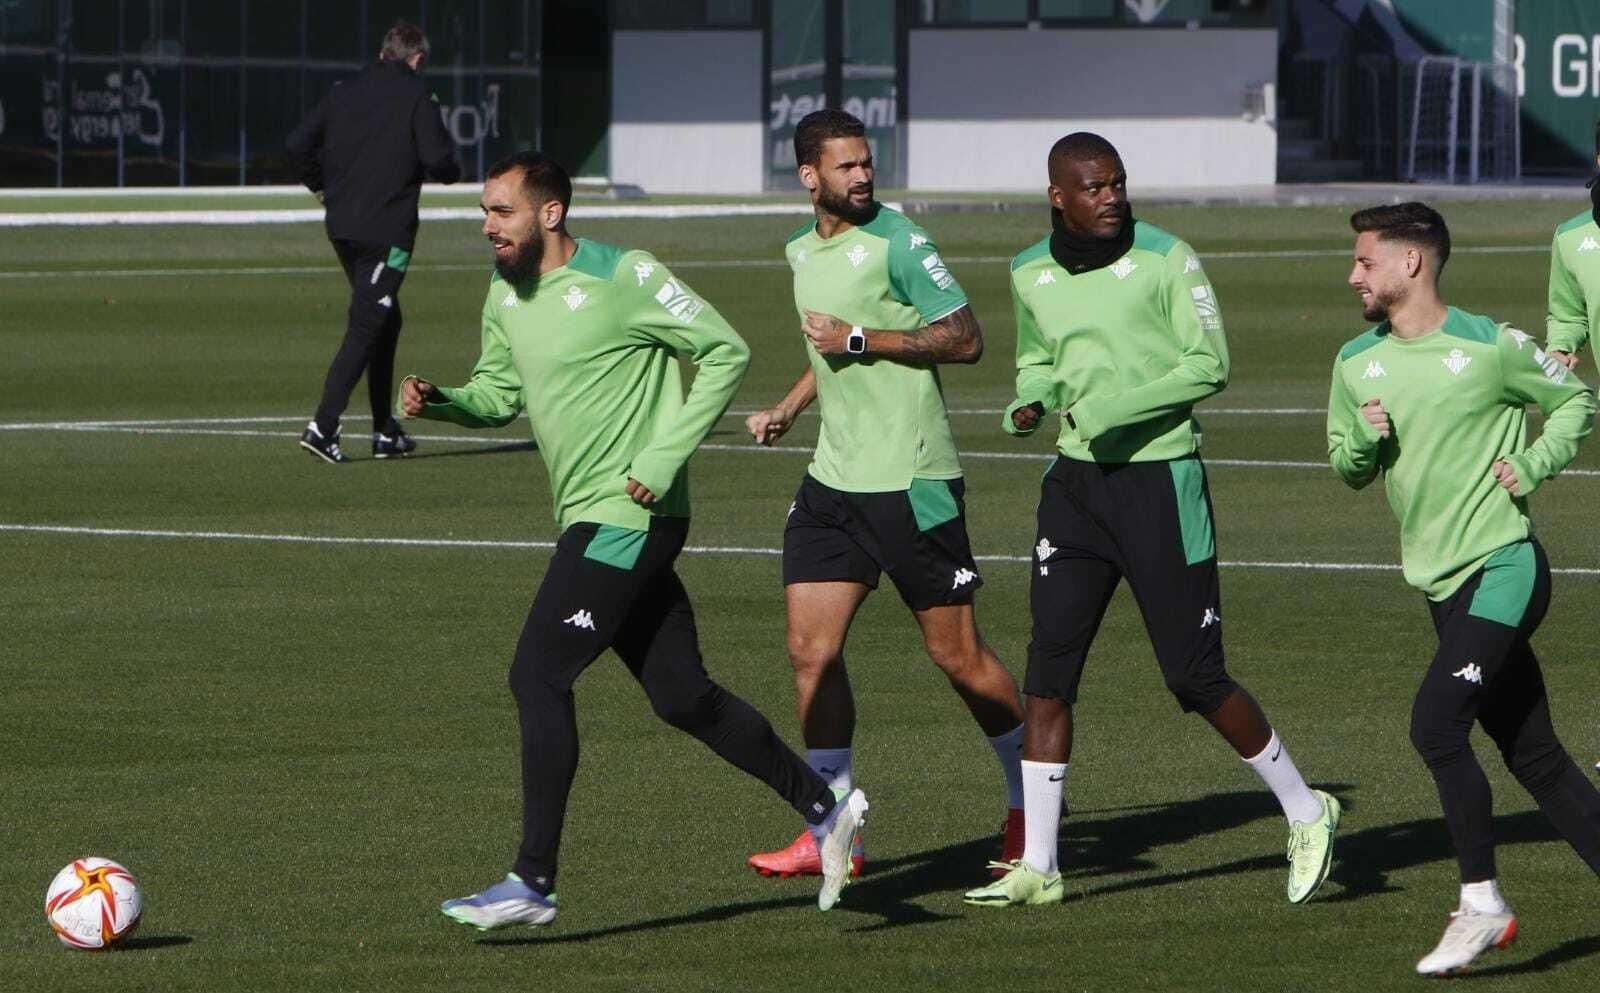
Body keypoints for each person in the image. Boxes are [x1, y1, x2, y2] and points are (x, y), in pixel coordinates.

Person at [407, 151, 867, 928]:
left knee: (537, 675)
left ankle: (532, 879)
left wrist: (661, 458)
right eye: (484, 212)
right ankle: (827, 809)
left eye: (501, 211)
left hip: (628, 517)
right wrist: (446, 402)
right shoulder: (505, 293)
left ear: (549, 214)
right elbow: (500, 393)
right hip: (595, 515)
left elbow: (726, 351)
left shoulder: (628, 276)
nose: (488, 226)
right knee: (683, 696)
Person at [964, 132, 1338, 910]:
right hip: (1073, 490)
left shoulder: (1169, 258)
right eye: (1094, 188)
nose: (1112, 199)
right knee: (1047, 676)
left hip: (1161, 484)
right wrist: (1030, 398)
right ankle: (1040, 862)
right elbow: (1037, 356)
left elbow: (1210, 363)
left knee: (1193, 676)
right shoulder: (1028, 270)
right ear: (1057, 196)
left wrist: (1108, 409)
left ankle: (1307, 808)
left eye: (1118, 184)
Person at [742, 108, 1027, 880]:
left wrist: (861, 339)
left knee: (956, 655)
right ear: (810, 178)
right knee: (811, 651)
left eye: (867, 163)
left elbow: (965, 337)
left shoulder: (900, 241)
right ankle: (835, 827)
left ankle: (1031, 803)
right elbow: (825, 347)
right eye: (846, 166)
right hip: (835, 481)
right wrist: (789, 407)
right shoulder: (802, 248)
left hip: (912, 479)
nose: (864, 176)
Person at [1327, 202, 1600, 975]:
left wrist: (1537, 463)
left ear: (1411, 263)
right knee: (1537, 757)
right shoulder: (1356, 361)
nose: (1354, 274)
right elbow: (1345, 467)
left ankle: (1482, 902)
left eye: (1365, 260)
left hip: (1505, 566)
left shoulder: (1493, 346)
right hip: (1441, 585)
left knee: (1437, 725)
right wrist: (1364, 438)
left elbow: (1577, 399)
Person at [287, 20, 460, 464]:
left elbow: (297, 146)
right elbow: (439, 160)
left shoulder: (344, 90)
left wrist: (323, 188)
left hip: (342, 227)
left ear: (385, 52)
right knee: (368, 322)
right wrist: (449, 170)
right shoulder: (418, 95)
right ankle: (323, 426)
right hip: (388, 233)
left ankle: (385, 430)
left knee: (386, 318)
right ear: (417, 59)